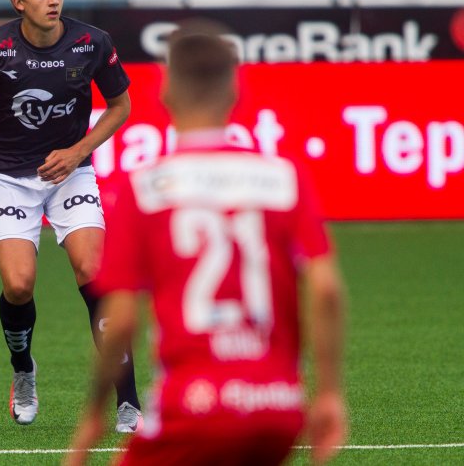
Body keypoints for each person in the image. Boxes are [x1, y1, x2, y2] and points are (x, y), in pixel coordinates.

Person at [65, 24, 347, 465]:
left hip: (191, 407)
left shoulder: (143, 188)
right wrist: (328, 393)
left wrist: (93, 416)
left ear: (165, 95)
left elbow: (120, 321)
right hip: (277, 408)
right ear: (234, 93)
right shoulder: (283, 177)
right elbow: (326, 289)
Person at [0, 0, 142, 431]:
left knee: (94, 271)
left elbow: (120, 105)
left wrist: (77, 151)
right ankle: (24, 371)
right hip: (8, 178)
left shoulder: (92, 43)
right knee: (19, 284)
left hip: (70, 174)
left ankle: (128, 399)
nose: (54, 1)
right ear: (18, 2)